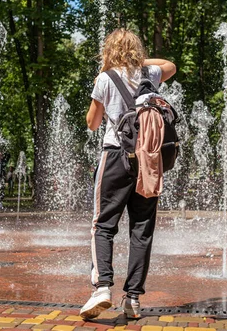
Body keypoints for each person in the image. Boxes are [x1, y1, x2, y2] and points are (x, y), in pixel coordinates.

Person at [80, 29, 176, 320]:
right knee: (141, 229)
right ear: (138, 50)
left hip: (115, 157)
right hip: (148, 161)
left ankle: (102, 287)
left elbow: (92, 123)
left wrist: (114, 66)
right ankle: (133, 298)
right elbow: (171, 65)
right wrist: (139, 62)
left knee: (103, 225)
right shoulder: (151, 74)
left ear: (108, 50)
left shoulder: (105, 78)